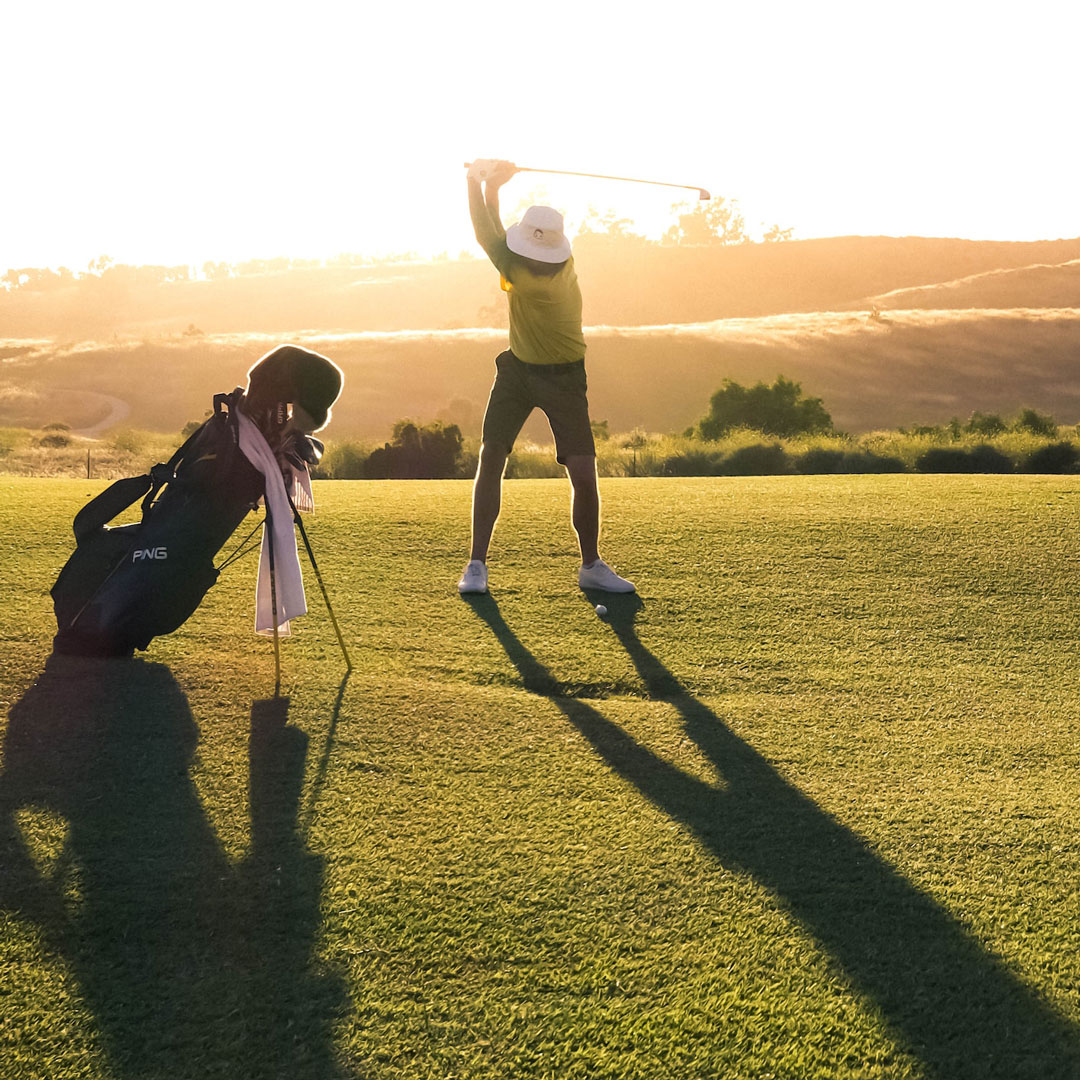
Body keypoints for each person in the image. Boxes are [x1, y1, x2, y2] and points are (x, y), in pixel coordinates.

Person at [458, 159, 635, 596]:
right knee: (492, 457)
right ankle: (476, 564)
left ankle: (591, 566)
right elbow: (495, 234)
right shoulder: (557, 259)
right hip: (518, 370)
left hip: (563, 378)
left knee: (582, 471)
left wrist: (477, 181)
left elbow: (487, 233)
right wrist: (493, 187)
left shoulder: (524, 273)